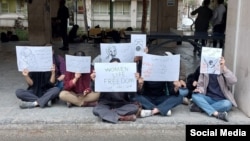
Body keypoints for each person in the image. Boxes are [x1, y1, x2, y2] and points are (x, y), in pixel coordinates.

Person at [134, 52, 189, 118]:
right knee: (133, 96)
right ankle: (163, 109)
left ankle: (153, 111)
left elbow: (171, 92)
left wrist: (176, 88)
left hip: (160, 98)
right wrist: (140, 85)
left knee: (179, 98)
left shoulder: (165, 72)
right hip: (147, 97)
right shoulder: (146, 71)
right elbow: (139, 92)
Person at [92, 58, 140, 124]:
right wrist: (94, 80)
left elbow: (132, 94)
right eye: (112, 67)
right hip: (106, 104)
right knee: (95, 110)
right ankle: (121, 117)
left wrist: (135, 81)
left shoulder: (125, 77)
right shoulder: (103, 76)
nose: (114, 69)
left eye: (117, 67)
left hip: (122, 104)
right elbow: (94, 90)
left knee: (134, 108)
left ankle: (108, 115)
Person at [191, 57, 237, 122]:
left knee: (228, 104)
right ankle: (216, 114)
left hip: (222, 100)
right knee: (194, 95)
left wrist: (224, 68)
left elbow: (233, 81)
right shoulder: (204, 72)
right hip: (208, 98)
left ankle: (201, 108)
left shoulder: (222, 71)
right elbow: (200, 85)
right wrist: (199, 90)